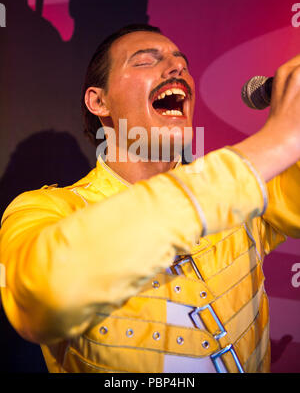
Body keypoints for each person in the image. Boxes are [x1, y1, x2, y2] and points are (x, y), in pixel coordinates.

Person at [1, 24, 300, 373]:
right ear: (99, 101)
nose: (177, 69)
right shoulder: (46, 210)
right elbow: (41, 298)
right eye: (145, 61)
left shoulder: (241, 191)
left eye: (182, 63)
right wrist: (274, 144)